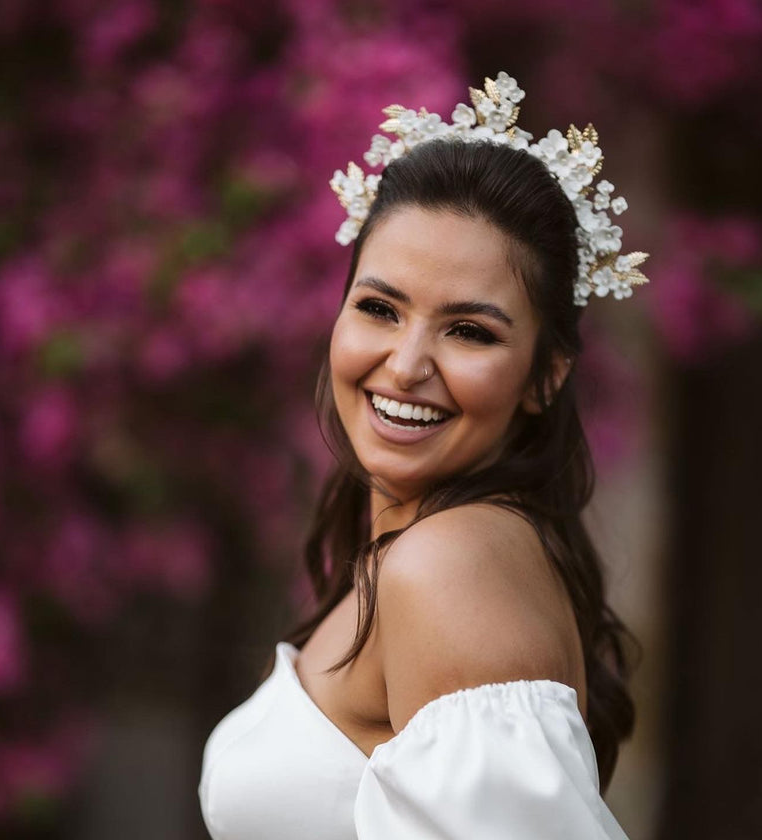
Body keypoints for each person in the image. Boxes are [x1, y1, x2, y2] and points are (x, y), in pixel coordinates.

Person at [199, 72, 645, 839]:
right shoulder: (417, 551)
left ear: (544, 376)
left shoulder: (446, 569)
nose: (406, 365)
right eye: (379, 308)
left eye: (469, 330)